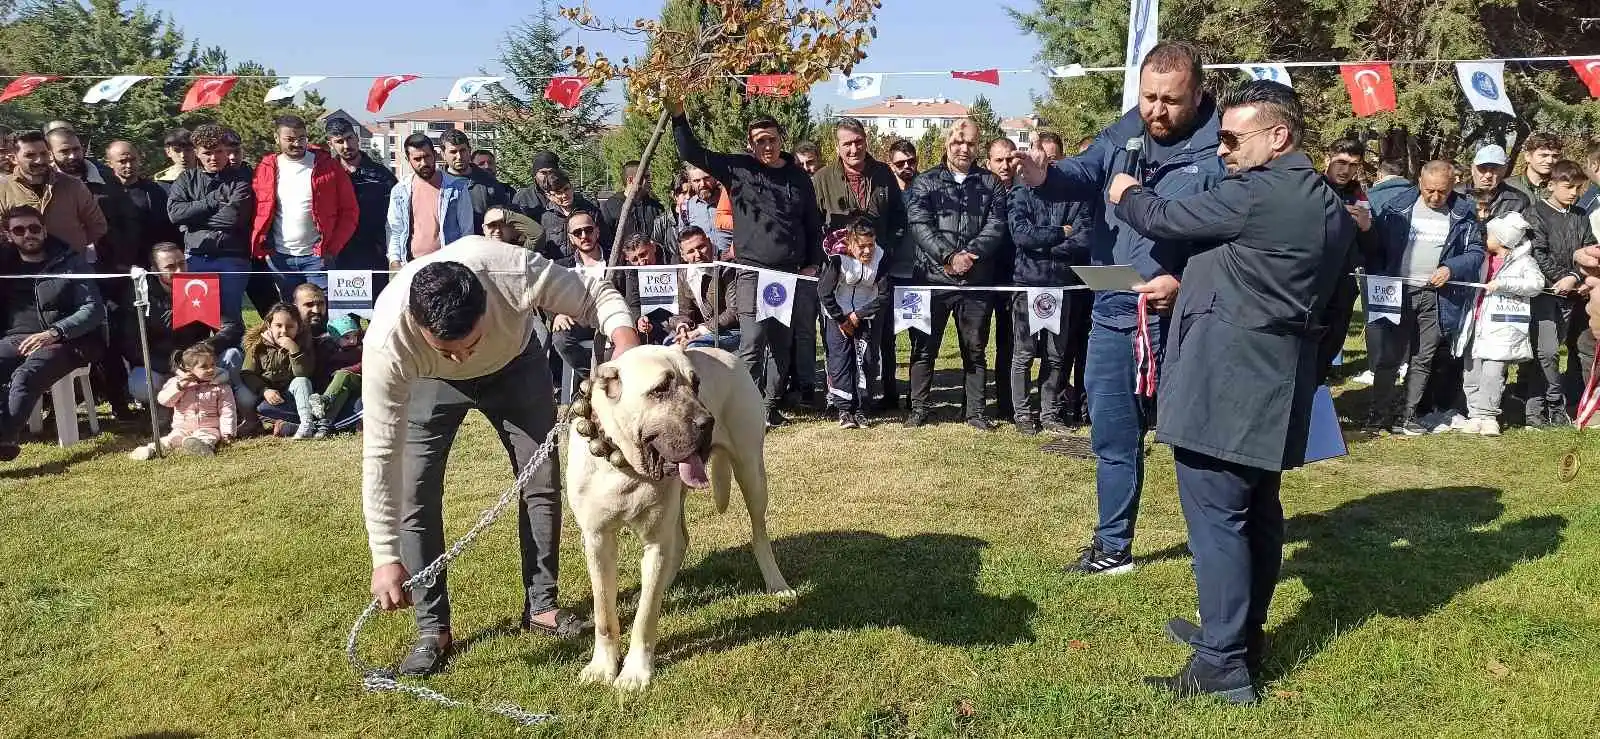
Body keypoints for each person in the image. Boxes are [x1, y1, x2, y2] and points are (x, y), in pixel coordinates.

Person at [1094, 79, 1357, 704]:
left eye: (1234, 139)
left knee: (1218, 522)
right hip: (1274, 378)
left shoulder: (1259, 193)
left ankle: (1222, 664)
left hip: (1226, 380)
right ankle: (1239, 636)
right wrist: (1190, 290)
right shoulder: (1326, 202)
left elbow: (1161, 217)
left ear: (1279, 136)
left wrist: (1127, 189)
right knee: (1258, 513)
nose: (1223, 150)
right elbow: (1303, 290)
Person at [361, 235, 640, 676]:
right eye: (447, 349)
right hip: (429, 386)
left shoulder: (511, 270)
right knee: (417, 492)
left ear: (489, 304)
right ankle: (432, 629)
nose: (461, 357)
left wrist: (626, 341)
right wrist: (384, 556)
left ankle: (543, 607)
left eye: (470, 342)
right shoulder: (387, 342)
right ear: (418, 327)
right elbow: (380, 456)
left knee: (541, 480)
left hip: (516, 366)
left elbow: (595, 295)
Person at [1017, 42, 1226, 575]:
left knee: (1199, 449)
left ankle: (1217, 553)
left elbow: (1235, 242)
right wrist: (1044, 175)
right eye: (1148, 96)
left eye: (1170, 101)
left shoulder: (1221, 152)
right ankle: (1113, 548)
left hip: (1185, 325)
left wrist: (1184, 282)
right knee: (1111, 438)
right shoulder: (1124, 132)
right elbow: (1083, 172)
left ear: (1197, 94)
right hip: (1113, 315)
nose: (1156, 110)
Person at [670, 99, 823, 427]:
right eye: (759, 141)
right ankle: (743, 406)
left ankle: (768, 406)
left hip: (786, 275)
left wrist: (812, 263)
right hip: (752, 272)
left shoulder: (799, 178)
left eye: (771, 139)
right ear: (750, 145)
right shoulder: (738, 168)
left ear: (781, 139)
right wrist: (678, 114)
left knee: (782, 346)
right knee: (753, 341)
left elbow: (812, 224)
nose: (766, 146)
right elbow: (692, 153)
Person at [1365, 160, 1485, 435]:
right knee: (1389, 357)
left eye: (1441, 192)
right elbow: (1377, 247)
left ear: (1452, 186)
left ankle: (1408, 415)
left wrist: (1451, 267)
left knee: (1423, 357)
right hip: (1398, 291)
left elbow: (1476, 252)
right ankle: (1379, 414)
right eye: (1429, 190)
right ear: (1419, 182)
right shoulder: (1397, 207)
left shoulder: (1463, 214)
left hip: (1437, 296)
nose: (1434, 197)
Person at [904, 120, 1007, 430]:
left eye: (971, 144)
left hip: (976, 281)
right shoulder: (925, 182)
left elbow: (997, 224)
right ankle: (919, 408)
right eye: (957, 143)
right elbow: (920, 224)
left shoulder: (991, 183)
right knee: (924, 348)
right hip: (933, 280)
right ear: (946, 144)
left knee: (975, 348)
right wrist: (948, 256)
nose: (964, 149)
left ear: (978, 147)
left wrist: (970, 255)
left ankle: (975, 412)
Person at [813, 118, 908, 412]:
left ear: (865, 140)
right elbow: (813, 224)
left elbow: (899, 219)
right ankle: (837, 398)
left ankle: (868, 397)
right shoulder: (823, 178)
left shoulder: (883, 174)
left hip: (873, 271)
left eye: (858, 142)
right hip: (839, 274)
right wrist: (828, 259)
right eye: (847, 144)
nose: (854, 148)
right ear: (837, 146)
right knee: (837, 341)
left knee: (872, 340)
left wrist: (885, 250)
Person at [0, 205, 107, 461]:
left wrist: (55, 332)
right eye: (19, 230)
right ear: (8, 235)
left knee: (27, 375)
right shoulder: (3, 264)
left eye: (34, 228)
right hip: (14, 338)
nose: (28, 234)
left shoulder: (69, 261)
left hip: (67, 340)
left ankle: (5, 437)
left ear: (44, 230)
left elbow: (92, 309)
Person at [123, 243, 257, 431]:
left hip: (203, 361)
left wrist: (203, 350)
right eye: (170, 267)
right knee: (140, 383)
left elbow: (231, 326)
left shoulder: (200, 285)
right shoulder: (140, 294)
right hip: (161, 365)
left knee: (232, 354)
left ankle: (225, 407)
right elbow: (131, 346)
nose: (179, 270)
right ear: (154, 270)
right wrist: (175, 367)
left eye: (182, 264)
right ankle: (165, 410)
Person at [1008, 145, 1090, 435]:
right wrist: (1060, 232)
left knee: (1056, 355)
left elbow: (1083, 237)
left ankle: (1050, 413)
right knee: (1024, 354)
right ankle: (1022, 414)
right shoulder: (1019, 194)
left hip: (1061, 284)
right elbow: (1021, 236)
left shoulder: (1075, 197)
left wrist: (1049, 245)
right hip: (1027, 284)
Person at [166, 124, 254, 351]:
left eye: (218, 151)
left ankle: (233, 371)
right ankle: (197, 371)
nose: (213, 157)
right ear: (196, 152)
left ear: (226, 151)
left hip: (231, 258)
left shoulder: (241, 179)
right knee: (194, 320)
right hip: (195, 257)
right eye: (207, 152)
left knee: (229, 320)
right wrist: (213, 201)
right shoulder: (186, 179)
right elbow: (175, 214)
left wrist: (194, 220)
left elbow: (232, 219)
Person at [250, 115, 358, 299]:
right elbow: (257, 210)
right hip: (280, 258)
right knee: (293, 314)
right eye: (290, 139)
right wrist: (263, 247)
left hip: (318, 257)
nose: (297, 144)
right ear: (276, 138)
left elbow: (350, 211)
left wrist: (332, 249)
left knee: (324, 313)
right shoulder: (266, 168)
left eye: (302, 138)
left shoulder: (328, 167)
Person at [1522, 160, 1596, 427]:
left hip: (1574, 294)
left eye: (1578, 187)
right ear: (1551, 185)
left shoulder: (1579, 215)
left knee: (1569, 351)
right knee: (1547, 352)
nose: (1574, 192)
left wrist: (1576, 276)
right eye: (1568, 187)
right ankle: (1539, 410)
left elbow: (1590, 249)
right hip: (1545, 293)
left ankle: (1557, 408)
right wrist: (1560, 277)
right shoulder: (1535, 213)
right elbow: (1538, 253)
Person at [1455, 213, 1543, 436]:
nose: (1485, 237)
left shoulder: (1525, 261)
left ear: (1503, 239)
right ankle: (1474, 414)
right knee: (1472, 370)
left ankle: (1489, 415)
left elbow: (1536, 284)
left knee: (1493, 372)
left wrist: (1504, 283)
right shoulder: (1482, 258)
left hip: (1503, 327)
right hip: (1476, 322)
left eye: (1490, 234)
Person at [818, 215, 891, 428]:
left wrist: (858, 315)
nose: (868, 251)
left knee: (866, 360)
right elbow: (824, 292)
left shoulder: (881, 257)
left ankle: (861, 408)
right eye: (862, 246)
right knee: (840, 360)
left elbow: (885, 295)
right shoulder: (837, 258)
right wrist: (842, 319)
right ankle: (843, 410)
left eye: (871, 245)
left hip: (865, 313)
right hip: (837, 314)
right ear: (850, 242)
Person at [0, 131, 107, 253]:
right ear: (14, 158)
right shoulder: (3, 189)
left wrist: (73, 248)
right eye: (30, 155)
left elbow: (98, 226)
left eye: (43, 153)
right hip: (21, 267)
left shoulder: (73, 186)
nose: (39, 160)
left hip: (68, 266)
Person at [129, 343, 237, 460]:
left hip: (209, 428)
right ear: (189, 369)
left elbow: (227, 411)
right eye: (204, 366)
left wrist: (227, 433)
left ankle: (202, 447)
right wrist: (180, 387)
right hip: (182, 428)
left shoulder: (220, 387)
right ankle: (151, 449)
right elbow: (164, 400)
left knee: (206, 437)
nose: (211, 369)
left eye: (213, 364)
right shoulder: (177, 383)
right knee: (171, 440)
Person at [386, 133, 475, 270]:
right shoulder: (400, 191)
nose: (424, 163)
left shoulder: (457, 188)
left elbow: (467, 231)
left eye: (427, 156)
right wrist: (395, 261)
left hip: (449, 267)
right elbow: (396, 230)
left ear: (435, 154)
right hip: (412, 266)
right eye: (417, 159)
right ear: (407, 159)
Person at [326, 118, 398, 272]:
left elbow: (397, 215)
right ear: (330, 144)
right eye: (339, 141)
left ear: (357, 138)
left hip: (374, 254)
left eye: (349, 138)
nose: (346, 146)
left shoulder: (381, 175)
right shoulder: (326, 176)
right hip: (337, 254)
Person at [242, 302, 318, 439]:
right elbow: (248, 373)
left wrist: (294, 350)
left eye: (290, 327)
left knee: (301, 381)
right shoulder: (258, 346)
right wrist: (264, 390)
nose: (284, 331)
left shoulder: (303, 344)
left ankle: (307, 423)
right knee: (261, 409)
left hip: (294, 397)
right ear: (268, 325)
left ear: (298, 328)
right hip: (269, 397)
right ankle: (287, 425)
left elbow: (303, 373)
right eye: (278, 326)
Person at [549, 211, 609, 380]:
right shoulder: (562, 266)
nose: (584, 236)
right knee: (560, 339)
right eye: (577, 232)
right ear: (571, 237)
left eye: (588, 230)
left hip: (609, 317)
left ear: (597, 231)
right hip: (579, 320)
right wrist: (556, 315)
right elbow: (547, 294)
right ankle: (595, 379)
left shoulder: (616, 260)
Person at [985, 137, 1021, 420]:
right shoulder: (981, 191)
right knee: (975, 343)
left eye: (1010, 159)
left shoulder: (1027, 190)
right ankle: (971, 404)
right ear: (989, 163)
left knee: (1009, 342)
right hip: (983, 276)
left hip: (1016, 277)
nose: (1005, 165)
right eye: (999, 160)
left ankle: (1007, 403)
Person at [665, 227, 739, 351]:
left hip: (732, 330)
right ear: (683, 255)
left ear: (709, 243)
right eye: (691, 252)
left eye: (701, 247)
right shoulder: (684, 273)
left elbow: (733, 312)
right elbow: (683, 311)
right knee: (669, 344)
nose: (698, 255)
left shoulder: (727, 267)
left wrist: (701, 331)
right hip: (704, 329)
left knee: (694, 347)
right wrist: (682, 326)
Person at [105, 140, 181, 257]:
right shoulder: (102, 192)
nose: (129, 165)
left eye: (132, 160)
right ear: (110, 163)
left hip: (150, 260)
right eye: (122, 161)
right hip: (111, 262)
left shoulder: (154, 191)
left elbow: (168, 228)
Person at [439, 129, 512, 234]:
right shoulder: (437, 184)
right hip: (449, 247)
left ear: (469, 150)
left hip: (482, 245)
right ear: (443, 154)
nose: (459, 156)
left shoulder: (489, 182)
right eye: (453, 152)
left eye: (463, 150)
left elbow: (503, 221)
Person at [534, 169, 606, 263]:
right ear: (549, 196)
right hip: (559, 270)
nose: (564, 195)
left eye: (566, 189)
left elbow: (605, 241)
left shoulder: (591, 211)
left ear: (571, 187)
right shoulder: (546, 218)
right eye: (558, 193)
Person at [601, 160, 673, 252]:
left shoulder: (656, 207)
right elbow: (606, 240)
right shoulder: (611, 206)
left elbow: (664, 239)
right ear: (631, 180)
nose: (649, 180)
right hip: (623, 264)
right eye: (645, 177)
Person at [681, 165, 733, 255]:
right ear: (691, 183)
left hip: (733, 263)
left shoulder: (730, 200)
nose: (702, 184)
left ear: (714, 178)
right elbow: (684, 241)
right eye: (696, 181)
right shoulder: (687, 208)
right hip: (703, 263)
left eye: (706, 178)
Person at [1507, 133, 1562, 202]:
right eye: (1544, 155)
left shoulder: (1564, 188)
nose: (1550, 161)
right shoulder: (1508, 187)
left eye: (1555, 156)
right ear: (1528, 156)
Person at [511, 151, 562, 217]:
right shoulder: (523, 197)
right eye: (543, 173)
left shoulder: (567, 195)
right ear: (535, 175)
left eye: (551, 172)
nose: (548, 176)